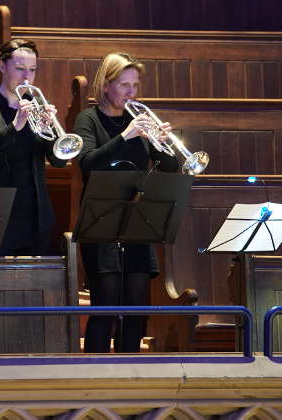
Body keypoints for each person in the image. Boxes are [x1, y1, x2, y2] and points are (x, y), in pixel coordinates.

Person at [73, 52, 179, 353]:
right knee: (105, 309)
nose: (132, 93)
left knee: (134, 310)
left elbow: (168, 168)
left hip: (136, 221)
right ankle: (95, 377)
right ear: (106, 86)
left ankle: (130, 372)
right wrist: (125, 136)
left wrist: (164, 144)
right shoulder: (88, 119)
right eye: (124, 85)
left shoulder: (139, 121)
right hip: (101, 223)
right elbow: (86, 163)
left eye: (135, 86)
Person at [0, 39, 66, 257]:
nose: (27, 77)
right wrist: (15, 126)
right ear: (2, 66)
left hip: (36, 217)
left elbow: (59, 161)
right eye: (20, 69)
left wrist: (51, 131)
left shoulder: (38, 107)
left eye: (32, 70)